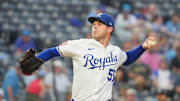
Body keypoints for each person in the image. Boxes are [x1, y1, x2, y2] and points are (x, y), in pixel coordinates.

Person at [19, 13, 157, 101]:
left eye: (99, 24)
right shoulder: (80, 45)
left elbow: (127, 59)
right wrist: (38, 59)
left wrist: (142, 47)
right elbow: (52, 51)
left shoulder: (115, 51)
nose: (94, 27)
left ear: (110, 29)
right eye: (93, 24)